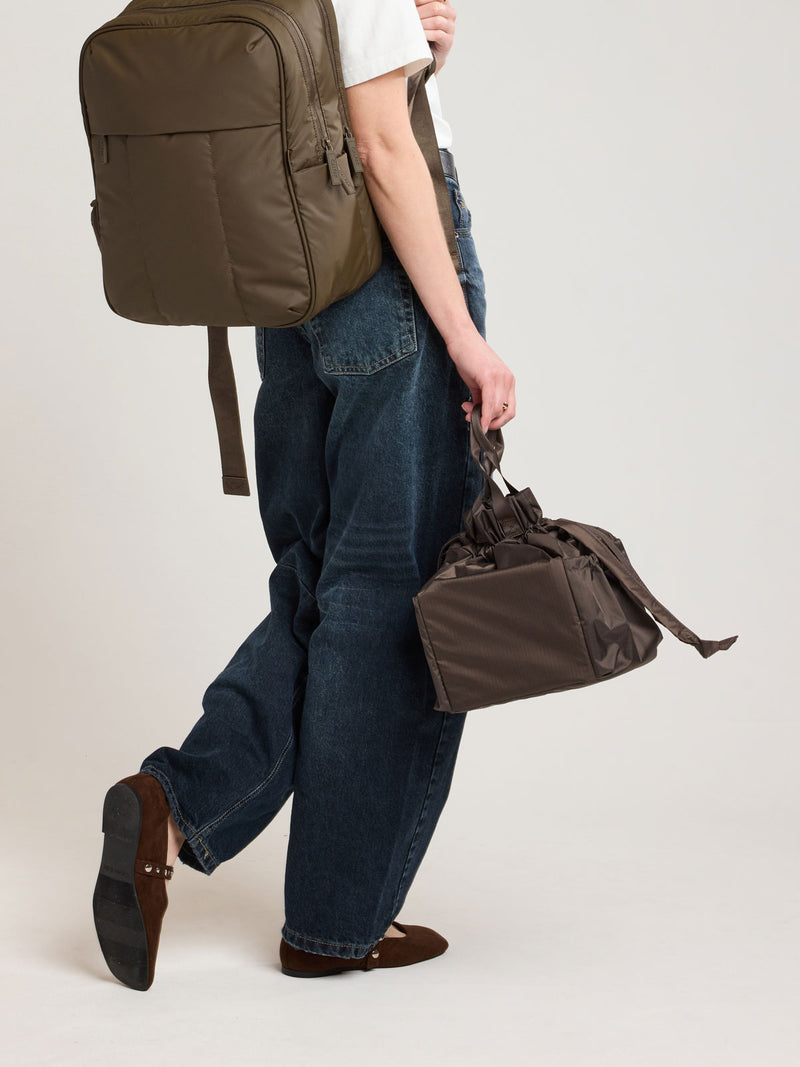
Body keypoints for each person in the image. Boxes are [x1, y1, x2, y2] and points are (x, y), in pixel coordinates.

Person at [92, 0, 517, 989]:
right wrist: (463, 334)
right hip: (384, 270)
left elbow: (312, 92)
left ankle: (172, 802)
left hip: (285, 284)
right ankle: (332, 926)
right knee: (395, 598)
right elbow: (377, 143)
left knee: (322, 578)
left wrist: (414, 61)